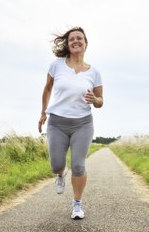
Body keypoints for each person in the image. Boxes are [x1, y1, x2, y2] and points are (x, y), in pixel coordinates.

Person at [38, 27, 103, 219]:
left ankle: (77, 204)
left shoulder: (94, 72)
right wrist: (43, 112)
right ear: (67, 44)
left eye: (79, 38)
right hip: (57, 122)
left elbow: (101, 101)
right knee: (56, 164)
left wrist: (94, 100)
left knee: (79, 165)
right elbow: (47, 89)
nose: (76, 41)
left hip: (82, 123)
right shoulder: (56, 65)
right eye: (72, 39)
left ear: (85, 43)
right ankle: (60, 174)